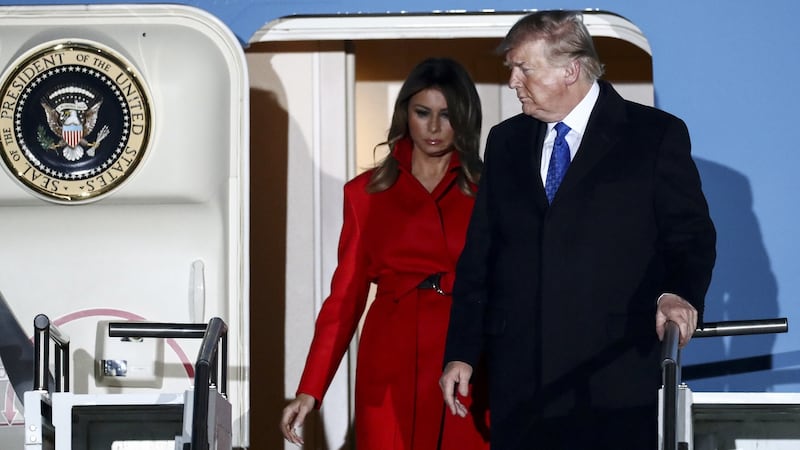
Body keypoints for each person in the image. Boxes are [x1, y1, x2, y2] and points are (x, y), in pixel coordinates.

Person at [439, 10, 716, 450]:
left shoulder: (654, 136)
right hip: (521, 387)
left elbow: (691, 237)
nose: (512, 80)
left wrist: (677, 292)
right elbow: (481, 256)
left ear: (570, 69)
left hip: (615, 382)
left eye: (523, 67)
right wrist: (461, 351)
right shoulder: (505, 141)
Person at [281, 57, 490, 450]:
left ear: (464, 118)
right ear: (405, 114)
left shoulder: (489, 191)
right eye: (422, 112)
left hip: (465, 354)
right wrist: (311, 390)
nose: (432, 127)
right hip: (389, 356)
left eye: (446, 115)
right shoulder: (365, 194)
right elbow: (344, 301)